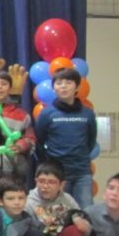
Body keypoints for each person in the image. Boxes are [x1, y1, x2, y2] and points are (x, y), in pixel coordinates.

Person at [35, 68, 97, 209]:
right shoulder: (46, 113)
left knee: (86, 210)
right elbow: (39, 141)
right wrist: (49, 164)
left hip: (82, 172)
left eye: (68, 82)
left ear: (77, 87)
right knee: (59, 212)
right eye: (59, 83)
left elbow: (91, 141)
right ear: (54, 88)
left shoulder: (87, 113)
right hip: (57, 173)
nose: (63, 86)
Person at [0, 71, 35, 186]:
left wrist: (20, 145)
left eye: (4, 84)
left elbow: (30, 138)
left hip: (16, 171)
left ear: (10, 88)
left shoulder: (21, 114)